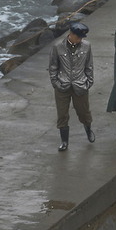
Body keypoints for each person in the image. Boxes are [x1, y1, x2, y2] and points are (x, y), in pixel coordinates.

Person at [47, 22, 95, 151]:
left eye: (82, 37)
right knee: (62, 115)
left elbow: (89, 66)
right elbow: (53, 67)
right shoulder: (58, 47)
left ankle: (88, 129)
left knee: (84, 113)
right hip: (62, 85)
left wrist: (89, 82)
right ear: (71, 34)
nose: (80, 39)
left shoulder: (87, 46)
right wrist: (55, 83)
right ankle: (64, 142)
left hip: (80, 85)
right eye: (78, 37)